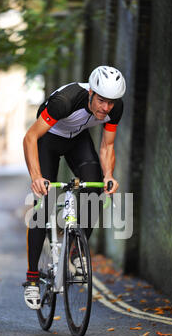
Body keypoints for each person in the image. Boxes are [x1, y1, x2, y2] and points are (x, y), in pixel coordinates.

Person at [22, 66, 126, 309]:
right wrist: (37, 177)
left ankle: (75, 254)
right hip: (48, 141)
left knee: (94, 189)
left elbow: (107, 146)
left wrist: (109, 175)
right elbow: (30, 138)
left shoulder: (114, 109)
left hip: (77, 140)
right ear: (90, 93)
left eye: (111, 103)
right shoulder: (65, 101)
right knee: (44, 206)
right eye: (101, 101)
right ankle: (32, 280)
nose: (106, 108)